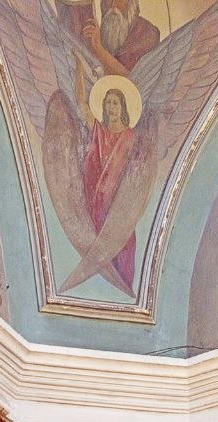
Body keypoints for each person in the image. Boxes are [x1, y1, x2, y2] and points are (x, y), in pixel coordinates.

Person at [82, 83, 137, 290]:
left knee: (123, 246)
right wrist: (79, 70)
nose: (111, 107)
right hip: (98, 203)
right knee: (100, 245)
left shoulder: (130, 136)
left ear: (123, 107)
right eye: (108, 103)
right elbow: (82, 104)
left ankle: (122, 288)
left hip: (120, 205)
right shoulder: (99, 132)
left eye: (115, 103)